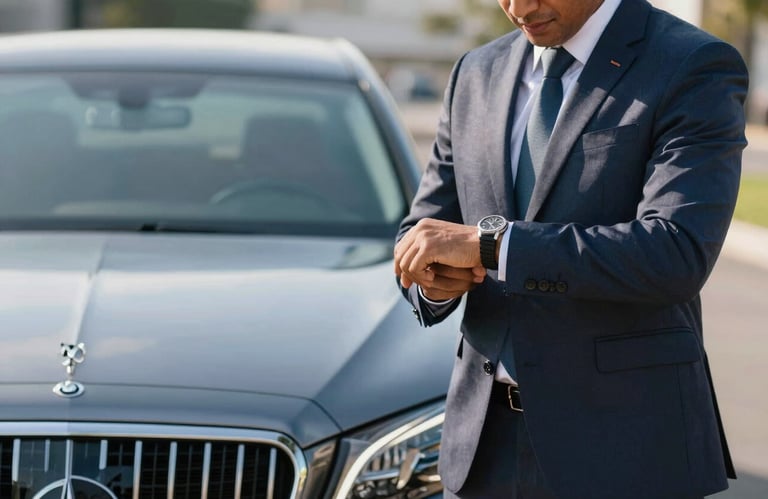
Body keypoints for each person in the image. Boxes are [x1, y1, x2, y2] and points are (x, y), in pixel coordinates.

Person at [393, 0, 748, 497]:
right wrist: (433, 281)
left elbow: (676, 251)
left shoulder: (693, 64)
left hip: (626, 449)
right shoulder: (475, 72)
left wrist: (494, 247)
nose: (519, 8)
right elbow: (427, 227)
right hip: (481, 448)